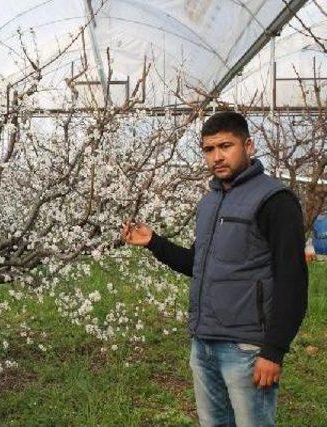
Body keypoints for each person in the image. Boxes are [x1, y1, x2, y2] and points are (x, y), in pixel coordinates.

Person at [122, 111, 307, 426]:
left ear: (248, 146)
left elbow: (293, 281)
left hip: (246, 348)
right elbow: (199, 266)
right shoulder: (209, 203)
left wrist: (273, 351)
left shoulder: (275, 201)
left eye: (226, 146)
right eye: (209, 149)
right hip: (204, 344)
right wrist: (154, 241)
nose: (217, 157)